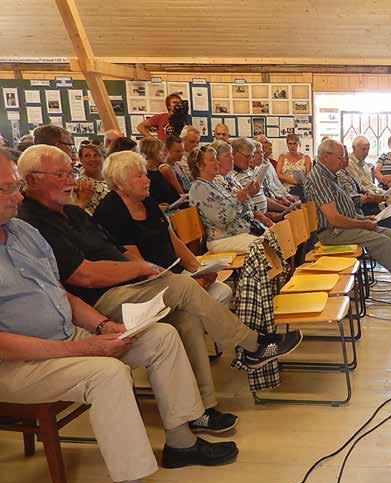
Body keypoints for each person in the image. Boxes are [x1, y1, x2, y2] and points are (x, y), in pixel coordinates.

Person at [16, 144, 303, 434]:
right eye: (62, 174)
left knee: (187, 319)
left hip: (132, 285)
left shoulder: (74, 214)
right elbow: (85, 275)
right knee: (181, 286)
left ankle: (202, 409)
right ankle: (252, 345)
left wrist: (189, 269)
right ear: (32, 179)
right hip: (101, 301)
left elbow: (118, 250)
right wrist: (141, 270)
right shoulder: (36, 222)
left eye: (70, 172)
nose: (72, 179)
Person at [0, 149, 239, 483]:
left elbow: (61, 294)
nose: (17, 196)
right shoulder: (33, 222)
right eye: (8, 189)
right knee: (108, 374)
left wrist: (102, 326)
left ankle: (181, 441)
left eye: (17, 186)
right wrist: (84, 347)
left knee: (161, 337)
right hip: (19, 363)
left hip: (67, 335)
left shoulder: (23, 232)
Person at [305, 139, 391, 294]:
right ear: (325, 157)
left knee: (388, 233)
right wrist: (363, 224)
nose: (343, 160)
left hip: (343, 226)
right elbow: (334, 219)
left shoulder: (330, 175)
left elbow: (343, 209)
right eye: (340, 157)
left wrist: (363, 219)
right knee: (382, 241)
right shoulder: (320, 178)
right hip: (332, 232)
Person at [93, 151, 232, 306]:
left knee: (222, 291)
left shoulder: (147, 202)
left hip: (172, 272)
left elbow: (173, 240)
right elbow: (138, 264)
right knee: (201, 298)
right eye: (139, 176)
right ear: (120, 183)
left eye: (146, 174)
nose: (147, 180)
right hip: (146, 284)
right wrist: (183, 283)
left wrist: (199, 270)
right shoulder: (111, 212)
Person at [188, 144, 270, 253]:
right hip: (221, 239)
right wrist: (238, 199)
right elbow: (222, 221)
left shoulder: (215, 184)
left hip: (240, 233)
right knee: (262, 247)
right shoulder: (199, 188)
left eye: (216, 159)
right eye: (212, 160)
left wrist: (246, 195)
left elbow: (241, 210)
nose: (217, 162)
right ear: (199, 165)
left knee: (275, 237)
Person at [138, 137, 182, 207]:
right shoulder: (146, 175)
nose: (164, 153)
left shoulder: (157, 171)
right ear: (152, 152)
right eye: (161, 151)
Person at [256, 134, 298, 204]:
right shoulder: (258, 165)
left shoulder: (268, 161)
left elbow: (277, 183)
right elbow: (269, 189)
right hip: (275, 199)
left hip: (282, 194)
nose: (270, 144)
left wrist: (288, 196)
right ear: (259, 146)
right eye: (266, 142)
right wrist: (283, 198)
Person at [73, 142, 111, 215]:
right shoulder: (80, 185)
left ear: (103, 157)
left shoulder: (111, 180)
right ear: (81, 159)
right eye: (87, 156)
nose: (92, 159)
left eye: (96, 155)